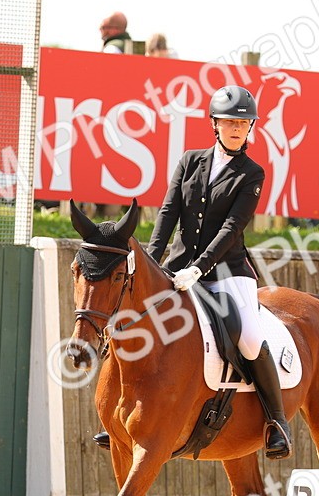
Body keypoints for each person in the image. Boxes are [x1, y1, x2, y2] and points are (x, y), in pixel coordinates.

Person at [94, 86, 293, 459]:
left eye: (244, 123)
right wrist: (152, 262)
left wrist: (200, 268)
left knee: (248, 337)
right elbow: (168, 213)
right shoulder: (189, 161)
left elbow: (232, 227)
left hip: (228, 273)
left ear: (250, 128)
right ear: (215, 124)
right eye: (230, 122)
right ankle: (117, 417)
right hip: (177, 266)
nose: (237, 128)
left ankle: (276, 421)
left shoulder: (253, 173)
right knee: (131, 318)